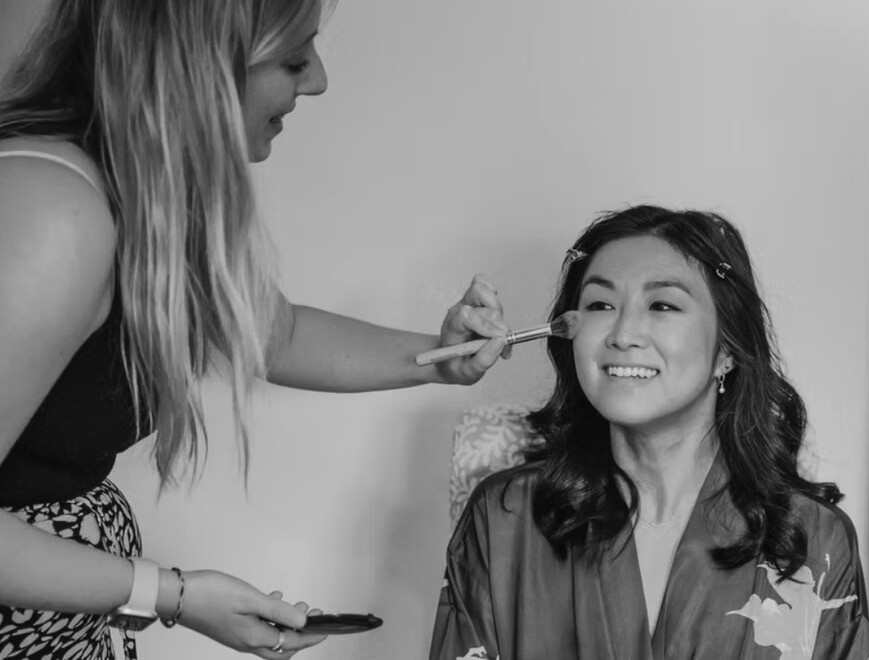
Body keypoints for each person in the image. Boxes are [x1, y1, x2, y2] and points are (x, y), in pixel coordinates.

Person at [0, 1, 512, 658]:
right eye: (294, 59)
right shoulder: (56, 213)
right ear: (201, 62)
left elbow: (277, 334)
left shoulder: (162, 202)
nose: (319, 80)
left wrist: (442, 356)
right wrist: (172, 593)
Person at [430, 205, 869, 659]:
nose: (623, 333)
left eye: (662, 305)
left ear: (728, 350)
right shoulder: (504, 518)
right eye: (601, 304)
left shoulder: (811, 539)